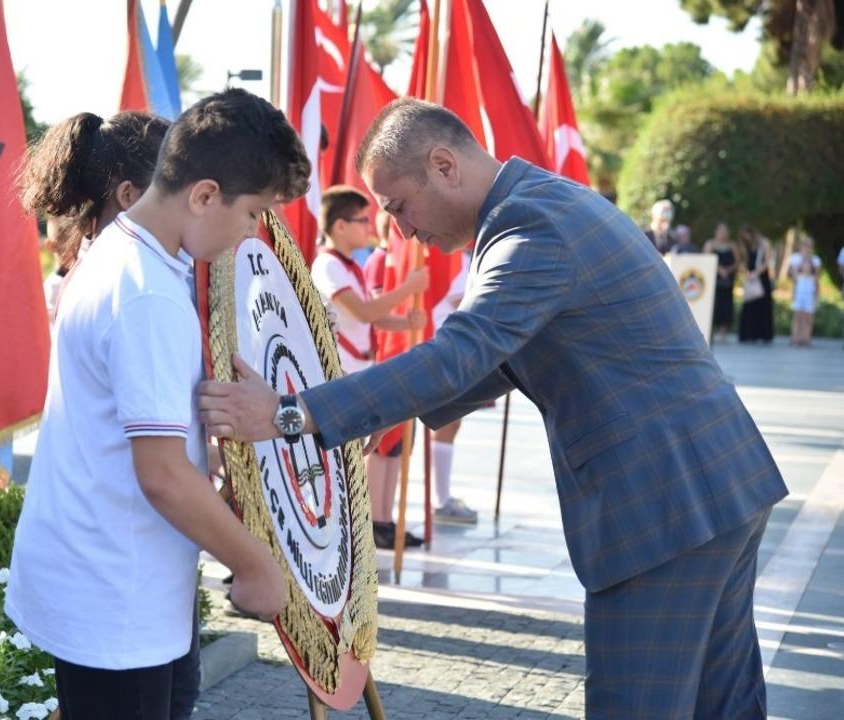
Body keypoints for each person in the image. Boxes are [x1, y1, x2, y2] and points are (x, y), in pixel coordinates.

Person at [199, 98, 787, 718]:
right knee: (722, 704)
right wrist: (384, 410)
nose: (401, 231)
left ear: (444, 165)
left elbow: (463, 352)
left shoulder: (530, 229)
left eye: (399, 206)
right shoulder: (541, 204)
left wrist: (293, 413)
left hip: (662, 505)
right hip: (714, 484)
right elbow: (502, 360)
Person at [6, 90, 310, 720]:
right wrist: (255, 566)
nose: (255, 232)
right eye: (253, 212)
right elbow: (163, 474)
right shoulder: (147, 293)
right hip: (118, 598)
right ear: (203, 195)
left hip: (121, 584)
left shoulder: (127, 250)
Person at [313, 186, 428, 550]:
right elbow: (362, 311)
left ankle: (360, 525)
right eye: (362, 220)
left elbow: (368, 319)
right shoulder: (327, 264)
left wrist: (404, 322)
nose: (369, 227)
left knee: (354, 456)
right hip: (338, 374)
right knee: (338, 460)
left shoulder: (350, 266)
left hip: (358, 367)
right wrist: (407, 288)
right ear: (340, 226)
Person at [429, 246, 480, 525]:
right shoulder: (447, 256)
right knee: (444, 423)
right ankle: (440, 498)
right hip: (440, 345)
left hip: (456, 347)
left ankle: (442, 495)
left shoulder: (466, 257)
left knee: (452, 423)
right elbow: (457, 297)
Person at [738, 225, 775, 344]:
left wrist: (756, 273)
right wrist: (747, 273)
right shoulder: (745, 244)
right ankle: (748, 334)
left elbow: (768, 261)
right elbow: (743, 261)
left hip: (761, 277)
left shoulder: (764, 243)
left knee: (763, 307)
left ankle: (763, 335)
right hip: (750, 278)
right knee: (749, 306)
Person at [704, 222, 738, 343]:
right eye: (721, 231)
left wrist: (728, 270)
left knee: (726, 305)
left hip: (728, 280)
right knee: (714, 303)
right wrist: (719, 269)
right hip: (713, 279)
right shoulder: (710, 244)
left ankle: (723, 332)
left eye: (725, 231)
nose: (723, 234)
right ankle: (711, 330)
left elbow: (737, 261)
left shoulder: (732, 245)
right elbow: (706, 259)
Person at [787, 235, 821, 346]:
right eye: (805, 246)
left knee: (808, 316)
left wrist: (817, 294)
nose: (807, 248)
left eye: (809, 246)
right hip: (799, 291)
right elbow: (791, 275)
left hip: (809, 291)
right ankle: (795, 337)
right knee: (797, 315)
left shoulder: (815, 260)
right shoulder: (795, 258)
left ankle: (806, 338)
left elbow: (817, 278)